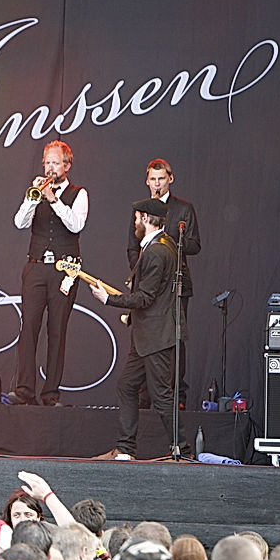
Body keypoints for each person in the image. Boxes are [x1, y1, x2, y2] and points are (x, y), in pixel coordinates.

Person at [92, 197, 186, 460]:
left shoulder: (157, 251)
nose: (134, 223)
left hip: (156, 336)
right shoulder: (160, 246)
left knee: (161, 396)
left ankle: (183, 449)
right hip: (147, 336)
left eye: (136, 218)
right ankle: (125, 449)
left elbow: (145, 298)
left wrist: (109, 299)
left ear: (146, 218)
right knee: (127, 385)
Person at [11, 141, 89, 406]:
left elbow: (76, 224)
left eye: (56, 163)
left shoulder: (79, 194)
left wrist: (53, 199)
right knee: (29, 328)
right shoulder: (37, 191)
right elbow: (19, 222)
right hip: (35, 268)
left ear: (67, 165)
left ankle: (51, 393)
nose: (50, 167)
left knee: (57, 331)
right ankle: (24, 390)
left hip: (64, 270)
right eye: (47, 162)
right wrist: (34, 200)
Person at [126, 159, 200, 408]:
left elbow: (195, 245)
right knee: (144, 337)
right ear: (147, 181)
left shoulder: (183, 208)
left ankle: (176, 394)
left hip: (176, 285)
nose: (157, 184)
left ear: (170, 179)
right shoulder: (141, 209)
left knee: (174, 339)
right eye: (153, 179)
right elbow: (131, 247)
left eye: (161, 179)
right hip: (148, 284)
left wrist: (170, 236)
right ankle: (146, 396)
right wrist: (142, 273)